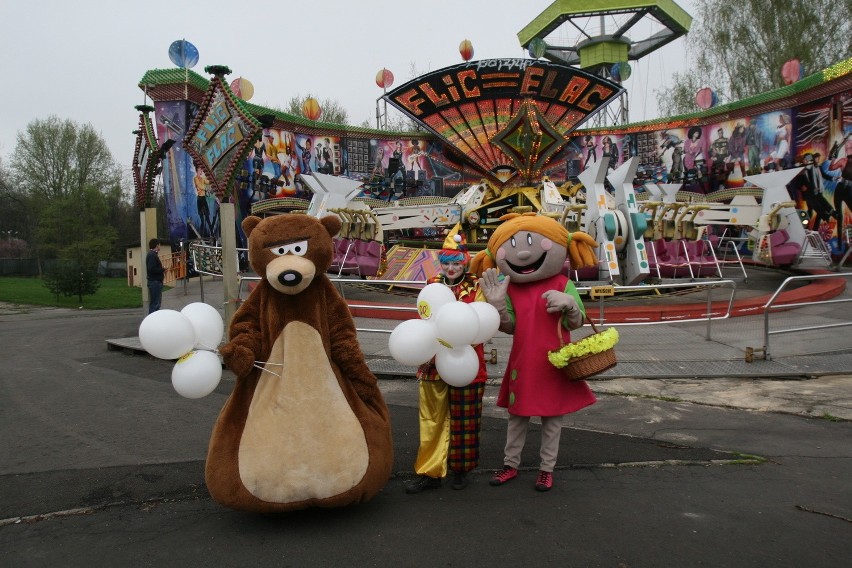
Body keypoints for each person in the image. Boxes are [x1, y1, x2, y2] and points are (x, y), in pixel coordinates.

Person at [471, 214, 597, 492]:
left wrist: (570, 306)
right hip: (524, 363)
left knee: (552, 419)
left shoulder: (563, 284)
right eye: (514, 245)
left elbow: (576, 323)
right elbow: (510, 327)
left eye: (532, 241)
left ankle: (546, 469)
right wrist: (498, 306)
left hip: (556, 363)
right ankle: (509, 464)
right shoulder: (510, 287)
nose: (525, 252)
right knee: (517, 417)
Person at [406, 225, 488, 493]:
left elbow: (481, 323)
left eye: (455, 263)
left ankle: (461, 470)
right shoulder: (432, 285)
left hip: (466, 362)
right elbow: (424, 318)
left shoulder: (475, 286)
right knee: (431, 418)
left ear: (464, 262)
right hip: (432, 363)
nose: (450, 268)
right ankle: (430, 472)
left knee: (465, 419)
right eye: (446, 263)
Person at [146, 238, 165, 314]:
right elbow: (151, 268)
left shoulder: (152, 255)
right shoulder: (152, 255)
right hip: (155, 282)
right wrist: (162, 270)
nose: (160, 246)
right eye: (159, 245)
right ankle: (152, 321)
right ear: (157, 245)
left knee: (156, 303)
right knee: (155, 304)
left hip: (155, 282)